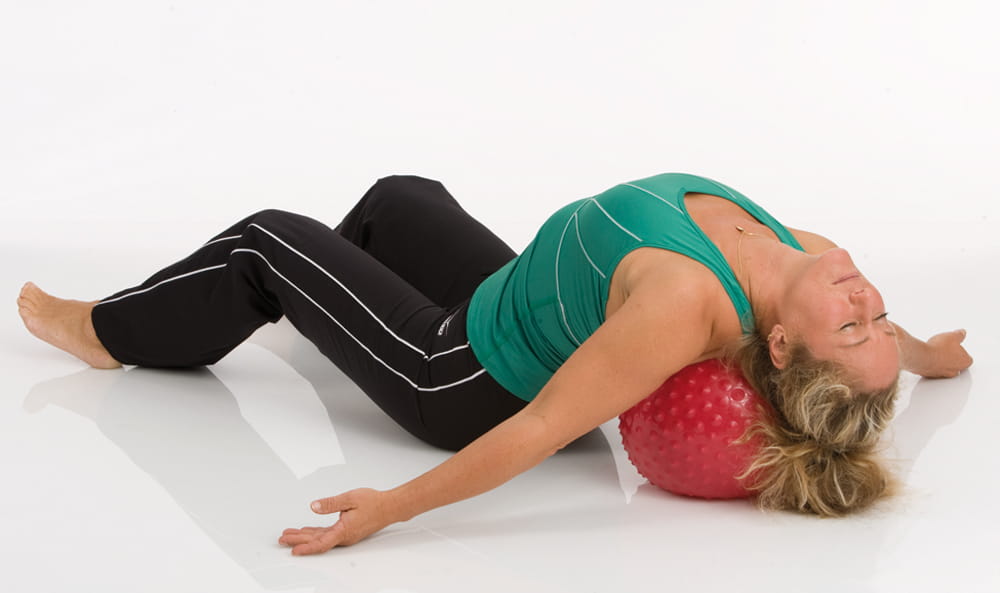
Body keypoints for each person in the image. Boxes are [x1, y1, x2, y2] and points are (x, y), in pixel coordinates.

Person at [17, 173, 972, 555]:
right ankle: (318, 316)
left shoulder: (688, 303)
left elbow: (546, 424)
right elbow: (887, 337)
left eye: (854, 327)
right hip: (502, 293)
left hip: (456, 376)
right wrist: (929, 358)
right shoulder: (809, 255)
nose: (866, 300)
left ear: (782, 347)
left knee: (267, 239)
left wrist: (391, 508)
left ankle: (108, 332)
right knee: (399, 200)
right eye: (879, 316)